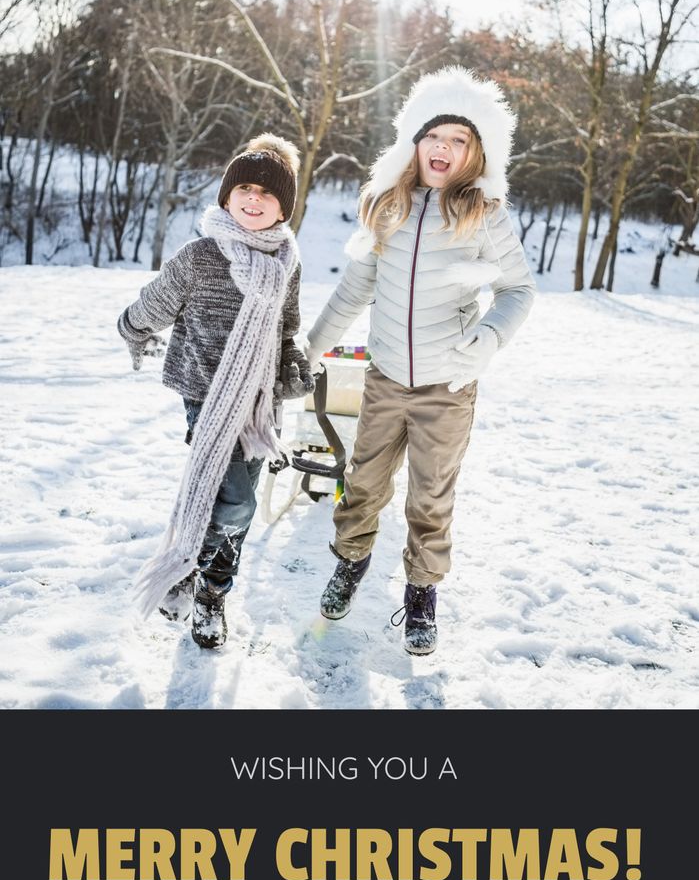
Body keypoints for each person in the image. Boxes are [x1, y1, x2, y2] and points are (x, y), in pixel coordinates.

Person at [305, 66, 536, 656]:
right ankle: (350, 564)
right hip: (384, 380)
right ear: (415, 140)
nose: (445, 148)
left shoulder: (486, 213)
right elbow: (354, 290)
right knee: (361, 486)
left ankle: (421, 595)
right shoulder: (388, 206)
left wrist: (482, 346)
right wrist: (309, 347)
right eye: (436, 135)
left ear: (476, 151)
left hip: (448, 387)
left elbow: (518, 291)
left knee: (431, 498)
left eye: (460, 140)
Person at [118, 134, 314, 649]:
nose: (254, 199)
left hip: (257, 403)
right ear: (228, 195)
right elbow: (156, 303)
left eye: (267, 194)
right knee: (235, 504)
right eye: (244, 188)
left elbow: (286, 327)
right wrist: (132, 327)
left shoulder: (286, 260)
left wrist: (292, 363)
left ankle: (211, 597)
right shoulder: (200, 254)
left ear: (282, 207)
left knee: (233, 501)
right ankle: (183, 570)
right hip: (204, 391)